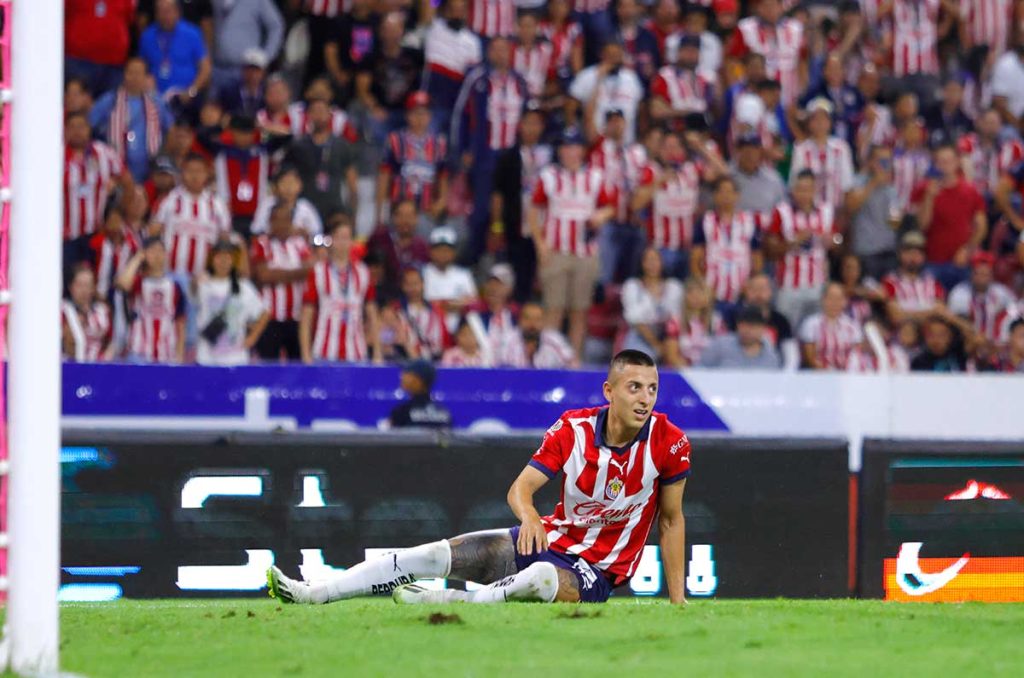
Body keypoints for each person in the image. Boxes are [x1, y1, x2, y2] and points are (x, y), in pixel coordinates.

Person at [268, 349, 692, 606]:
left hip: (596, 570)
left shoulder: (669, 442)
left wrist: (678, 602)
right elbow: (521, 488)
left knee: (541, 580)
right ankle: (314, 592)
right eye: (634, 387)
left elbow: (670, 520)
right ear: (609, 391)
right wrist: (529, 517)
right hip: (549, 540)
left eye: (652, 388)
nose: (645, 398)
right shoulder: (573, 428)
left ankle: (448, 601)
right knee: (433, 554)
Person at [529, 128, 615, 357]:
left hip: (585, 252)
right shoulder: (549, 176)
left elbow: (609, 206)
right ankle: (548, 358)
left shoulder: (595, 177)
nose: (569, 152)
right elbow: (533, 210)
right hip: (555, 251)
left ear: (582, 150)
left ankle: (575, 359)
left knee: (580, 311)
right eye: (565, 147)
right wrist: (540, 243)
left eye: (574, 146)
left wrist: (600, 216)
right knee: (553, 308)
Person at [453, 37, 529, 263]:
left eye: (504, 49)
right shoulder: (478, 79)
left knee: (512, 214)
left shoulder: (520, 82)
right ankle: (473, 262)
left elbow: (527, 119)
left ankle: (507, 264)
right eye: (495, 49)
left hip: (512, 156)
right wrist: (464, 148)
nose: (500, 54)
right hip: (485, 154)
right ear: (488, 52)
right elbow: (461, 114)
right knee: (482, 212)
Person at [491, 107, 552, 302]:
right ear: (520, 125)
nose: (532, 128)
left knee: (545, 275)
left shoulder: (551, 155)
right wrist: (497, 225)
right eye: (528, 123)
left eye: (536, 123)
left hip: (546, 227)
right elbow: (498, 195)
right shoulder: (508, 157)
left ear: (542, 127)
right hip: (516, 226)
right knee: (519, 273)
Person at [299, 222, 382, 364]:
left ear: (352, 241)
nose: (343, 242)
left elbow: (372, 315)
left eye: (347, 237)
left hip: (356, 353)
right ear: (331, 240)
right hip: (324, 352)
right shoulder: (318, 272)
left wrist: (377, 352)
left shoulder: (363, 272)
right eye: (339, 237)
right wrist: (306, 355)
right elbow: (306, 316)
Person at [767, 170, 837, 331]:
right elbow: (770, 250)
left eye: (808, 189)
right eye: (800, 189)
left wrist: (832, 241)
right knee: (786, 328)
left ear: (815, 191)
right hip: (789, 284)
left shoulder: (826, 211)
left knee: (814, 330)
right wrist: (793, 241)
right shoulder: (782, 212)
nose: (804, 194)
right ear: (793, 190)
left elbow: (837, 239)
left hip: (817, 284)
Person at [912, 143, 988, 291]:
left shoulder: (970, 191)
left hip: (962, 261)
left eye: (949, 161)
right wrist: (929, 198)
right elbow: (922, 226)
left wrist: (967, 249)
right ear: (935, 164)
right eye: (941, 161)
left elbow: (981, 227)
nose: (945, 165)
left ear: (957, 162)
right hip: (933, 260)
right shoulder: (924, 189)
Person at [63, 112, 133, 270]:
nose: (77, 131)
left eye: (81, 126)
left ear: (89, 129)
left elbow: (128, 183)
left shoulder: (104, 153)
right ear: (65, 130)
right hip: (64, 235)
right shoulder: (55, 155)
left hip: (96, 233)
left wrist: (118, 213)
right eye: (72, 127)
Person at [90, 58, 174, 182]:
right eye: (131, 73)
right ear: (124, 75)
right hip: (116, 170)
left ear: (146, 76)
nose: (134, 77)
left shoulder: (156, 102)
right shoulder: (109, 100)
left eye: (139, 73)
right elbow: (88, 124)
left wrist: (161, 155)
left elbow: (172, 130)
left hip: (149, 171)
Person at [151, 153, 232, 279]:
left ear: (207, 173)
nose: (195, 176)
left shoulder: (217, 205)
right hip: (171, 275)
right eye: (190, 171)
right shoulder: (169, 200)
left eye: (199, 171)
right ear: (182, 173)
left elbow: (224, 240)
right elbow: (154, 233)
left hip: (204, 279)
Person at [250, 202, 314, 361]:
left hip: (296, 318)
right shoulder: (261, 244)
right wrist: (298, 273)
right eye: (277, 220)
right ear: (270, 222)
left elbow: (311, 270)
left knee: (297, 369)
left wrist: (278, 274)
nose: (282, 224)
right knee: (267, 366)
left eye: (286, 220)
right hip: (269, 318)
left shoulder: (299, 244)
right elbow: (264, 275)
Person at [376, 92, 450, 227]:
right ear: (407, 115)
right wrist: (380, 213)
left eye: (423, 113)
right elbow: (384, 176)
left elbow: (443, 177)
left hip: (426, 211)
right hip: (398, 211)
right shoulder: (395, 140)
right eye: (415, 113)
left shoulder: (439, 144)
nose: (419, 118)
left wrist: (441, 202)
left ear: (430, 116)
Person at [690, 176, 763, 308]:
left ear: (737, 195)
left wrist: (750, 285)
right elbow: (695, 259)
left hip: (742, 293)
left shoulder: (749, 221)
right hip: (711, 291)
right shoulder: (705, 221)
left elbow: (757, 258)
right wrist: (703, 286)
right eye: (722, 192)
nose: (726, 196)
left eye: (730, 192)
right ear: (715, 195)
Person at [194, 240, 270, 366]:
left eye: (228, 257)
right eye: (219, 257)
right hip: (206, 357)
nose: (223, 261)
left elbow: (264, 312)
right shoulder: (203, 285)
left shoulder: (244, 287)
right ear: (212, 259)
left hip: (236, 358)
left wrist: (251, 338)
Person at [284, 99, 360, 222]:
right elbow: (287, 178)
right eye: (315, 111)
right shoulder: (298, 145)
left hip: (334, 209)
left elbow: (352, 183)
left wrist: (352, 214)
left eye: (322, 111)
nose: (319, 116)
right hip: (305, 208)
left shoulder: (341, 145)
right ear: (308, 115)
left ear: (329, 115)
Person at [116, 236, 187, 364]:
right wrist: (137, 258)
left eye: (160, 251)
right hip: (138, 353)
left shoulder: (175, 287)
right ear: (145, 254)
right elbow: (123, 284)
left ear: (166, 255)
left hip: (167, 355)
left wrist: (180, 356)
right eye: (152, 251)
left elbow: (180, 323)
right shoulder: (138, 282)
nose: (157, 255)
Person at [727, 0, 806, 107]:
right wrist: (740, 86)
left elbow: (802, 63)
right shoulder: (746, 28)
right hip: (755, 99)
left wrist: (801, 91)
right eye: (765, 6)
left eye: (774, 5)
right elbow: (733, 62)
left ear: (781, 6)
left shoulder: (795, 29)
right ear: (758, 7)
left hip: (788, 99)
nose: (770, 10)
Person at [568, 41, 644, 145]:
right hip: (596, 143)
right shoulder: (586, 76)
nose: (614, 59)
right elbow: (570, 108)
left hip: (626, 143)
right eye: (610, 55)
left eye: (617, 55)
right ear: (602, 55)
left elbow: (641, 111)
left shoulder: (631, 78)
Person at [138, 0, 211, 105]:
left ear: (177, 12)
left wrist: (192, 91)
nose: (164, 16)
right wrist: (146, 81)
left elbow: (206, 68)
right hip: (155, 98)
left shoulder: (192, 34)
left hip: (186, 98)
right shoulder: (147, 36)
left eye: (168, 11)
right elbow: (140, 66)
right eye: (160, 11)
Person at [845, 144, 900, 281]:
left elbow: (895, 223)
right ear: (870, 162)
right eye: (881, 161)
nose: (885, 165)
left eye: (887, 161)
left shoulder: (891, 189)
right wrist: (873, 183)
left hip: (889, 252)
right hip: (866, 253)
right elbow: (850, 208)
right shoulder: (857, 182)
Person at [789, 98, 855, 212]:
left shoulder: (841, 148)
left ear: (830, 122)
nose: (820, 123)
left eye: (824, 119)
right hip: (811, 213)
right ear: (809, 123)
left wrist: (844, 212)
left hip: (837, 210)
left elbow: (847, 184)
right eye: (815, 119)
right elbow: (795, 182)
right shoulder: (801, 149)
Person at [209, 0, 284, 96]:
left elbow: (276, 26)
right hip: (217, 68)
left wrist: (266, 56)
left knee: (242, 108)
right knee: (214, 107)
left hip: (245, 71)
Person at [620, 247, 684, 359]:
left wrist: (668, 345)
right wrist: (656, 345)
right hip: (641, 335)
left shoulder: (674, 286)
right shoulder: (632, 286)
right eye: (648, 260)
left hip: (669, 335)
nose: (652, 264)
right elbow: (635, 320)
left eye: (655, 260)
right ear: (641, 263)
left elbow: (677, 317)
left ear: (662, 262)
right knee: (639, 357)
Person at [65, 0, 135, 96]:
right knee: (78, 107)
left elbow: (129, 18)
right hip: (79, 62)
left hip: (114, 66)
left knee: (110, 107)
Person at [947, 251, 1016, 344]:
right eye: (978, 273)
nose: (981, 278)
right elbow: (953, 319)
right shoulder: (960, 292)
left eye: (985, 274)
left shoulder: (1001, 292)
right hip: (967, 342)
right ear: (971, 274)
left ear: (992, 276)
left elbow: (1015, 313)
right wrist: (973, 334)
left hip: (997, 343)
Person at [882, 231, 947, 325]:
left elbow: (941, 312)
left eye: (918, 253)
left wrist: (907, 314)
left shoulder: (932, 282)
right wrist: (930, 313)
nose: (913, 257)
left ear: (923, 256)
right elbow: (896, 317)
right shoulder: (890, 282)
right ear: (900, 254)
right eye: (909, 253)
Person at [423, 227, 478, 334]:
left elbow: (473, 301)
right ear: (431, 251)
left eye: (447, 250)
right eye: (438, 249)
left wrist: (446, 305)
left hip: (458, 331)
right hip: (429, 330)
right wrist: (451, 305)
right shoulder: (423, 273)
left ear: (454, 252)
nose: (443, 254)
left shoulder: (463, 274)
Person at [662, 277, 727, 368]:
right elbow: (672, 355)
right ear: (685, 296)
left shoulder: (717, 321)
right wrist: (691, 373)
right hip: (683, 371)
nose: (696, 297)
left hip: (711, 371)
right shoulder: (675, 321)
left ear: (708, 296)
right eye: (691, 293)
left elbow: (723, 350)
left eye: (700, 292)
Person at [798, 283, 863, 371]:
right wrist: (828, 374)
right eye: (830, 298)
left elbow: (856, 355)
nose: (834, 303)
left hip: (846, 375)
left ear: (845, 302)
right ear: (823, 300)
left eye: (839, 299)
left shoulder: (853, 326)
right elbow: (810, 358)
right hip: (818, 375)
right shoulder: (811, 324)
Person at [366, 199, 432, 284]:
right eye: (400, 215)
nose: (405, 220)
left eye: (409, 216)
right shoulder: (379, 239)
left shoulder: (422, 247)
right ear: (393, 217)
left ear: (416, 218)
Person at [698, 305, 782, 369]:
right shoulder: (720, 345)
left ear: (762, 329)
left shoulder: (771, 356)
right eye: (742, 326)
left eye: (752, 327)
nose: (746, 331)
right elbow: (698, 370)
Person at [250, 166, 324, 239]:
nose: (288, 187)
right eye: (284, 182)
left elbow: (318, 234)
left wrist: (305, 233)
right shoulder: (267, 204)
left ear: (300, 185)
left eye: (292, 183)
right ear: (276, 185)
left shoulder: (306, 207)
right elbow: (256, 232)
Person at [502, 301, 577, 368]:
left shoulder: (554, 339)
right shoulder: (509, 339)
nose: (532, 323)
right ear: (520, 320)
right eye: (527, 318)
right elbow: (500, 369)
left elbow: (572, 364)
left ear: (544, 321)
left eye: (537, 319)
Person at [62, 265, 113, 363]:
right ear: (71, 286)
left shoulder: (103, 311)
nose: (84, 290)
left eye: (87, 285)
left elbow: (110, 341)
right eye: (79, 285)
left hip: (98, 367)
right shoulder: (64, 311)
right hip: (70, 366)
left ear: (93, 288)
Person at [731, 133, 786, 222]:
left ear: (760, 152)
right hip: (737, 229)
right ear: (737, 152)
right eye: (746, 151)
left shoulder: (773, 178)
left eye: (754, 151)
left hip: (767, 230)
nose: (750, 156)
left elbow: (783, 207)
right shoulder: (728, 177)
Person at [388, 359, 453, 429]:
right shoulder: (444, 413)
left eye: (407, 373)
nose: (402, 376)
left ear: (418, 380)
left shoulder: (401, 412)